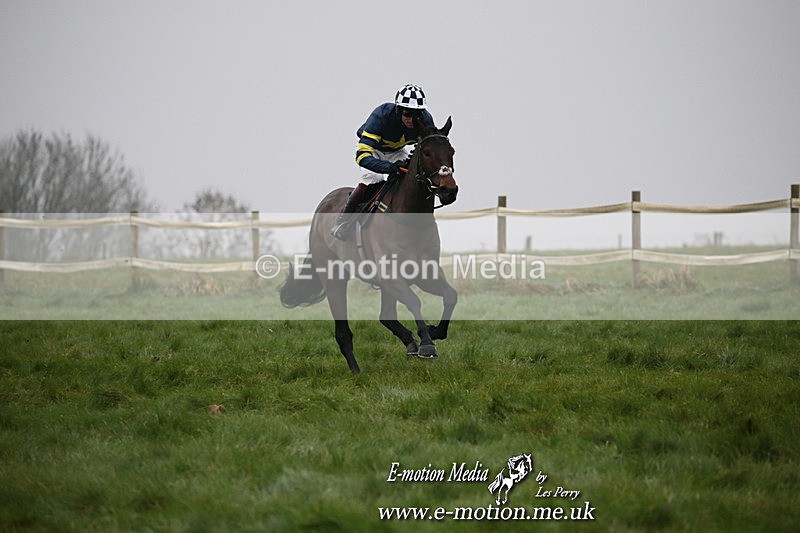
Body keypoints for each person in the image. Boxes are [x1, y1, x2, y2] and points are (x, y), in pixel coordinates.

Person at [330, 83, 436, 240]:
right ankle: (343, 221)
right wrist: (389, 167)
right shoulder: (382, 115)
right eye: (407, 113)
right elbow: (362, 157)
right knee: (373, 179)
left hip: (397, 151)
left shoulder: (426, 120)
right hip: (374, 149)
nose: (411, 119)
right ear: (398, 110)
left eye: (417, 114)